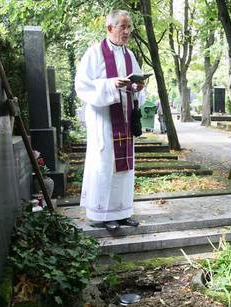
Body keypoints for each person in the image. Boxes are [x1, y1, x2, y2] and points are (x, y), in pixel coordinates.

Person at [75, 9, 144, 231]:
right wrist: (111, 84)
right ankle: (103, 214)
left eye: (129, 27)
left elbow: (137, 86)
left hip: (124, 119)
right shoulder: (94, 53)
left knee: (124, 169)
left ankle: (122, 212)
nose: (127, 31)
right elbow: (83, 86)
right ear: (109, 28)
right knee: (105, 165)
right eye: (122, 26)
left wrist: (138, 87)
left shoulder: (129, 55)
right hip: (104, 121)